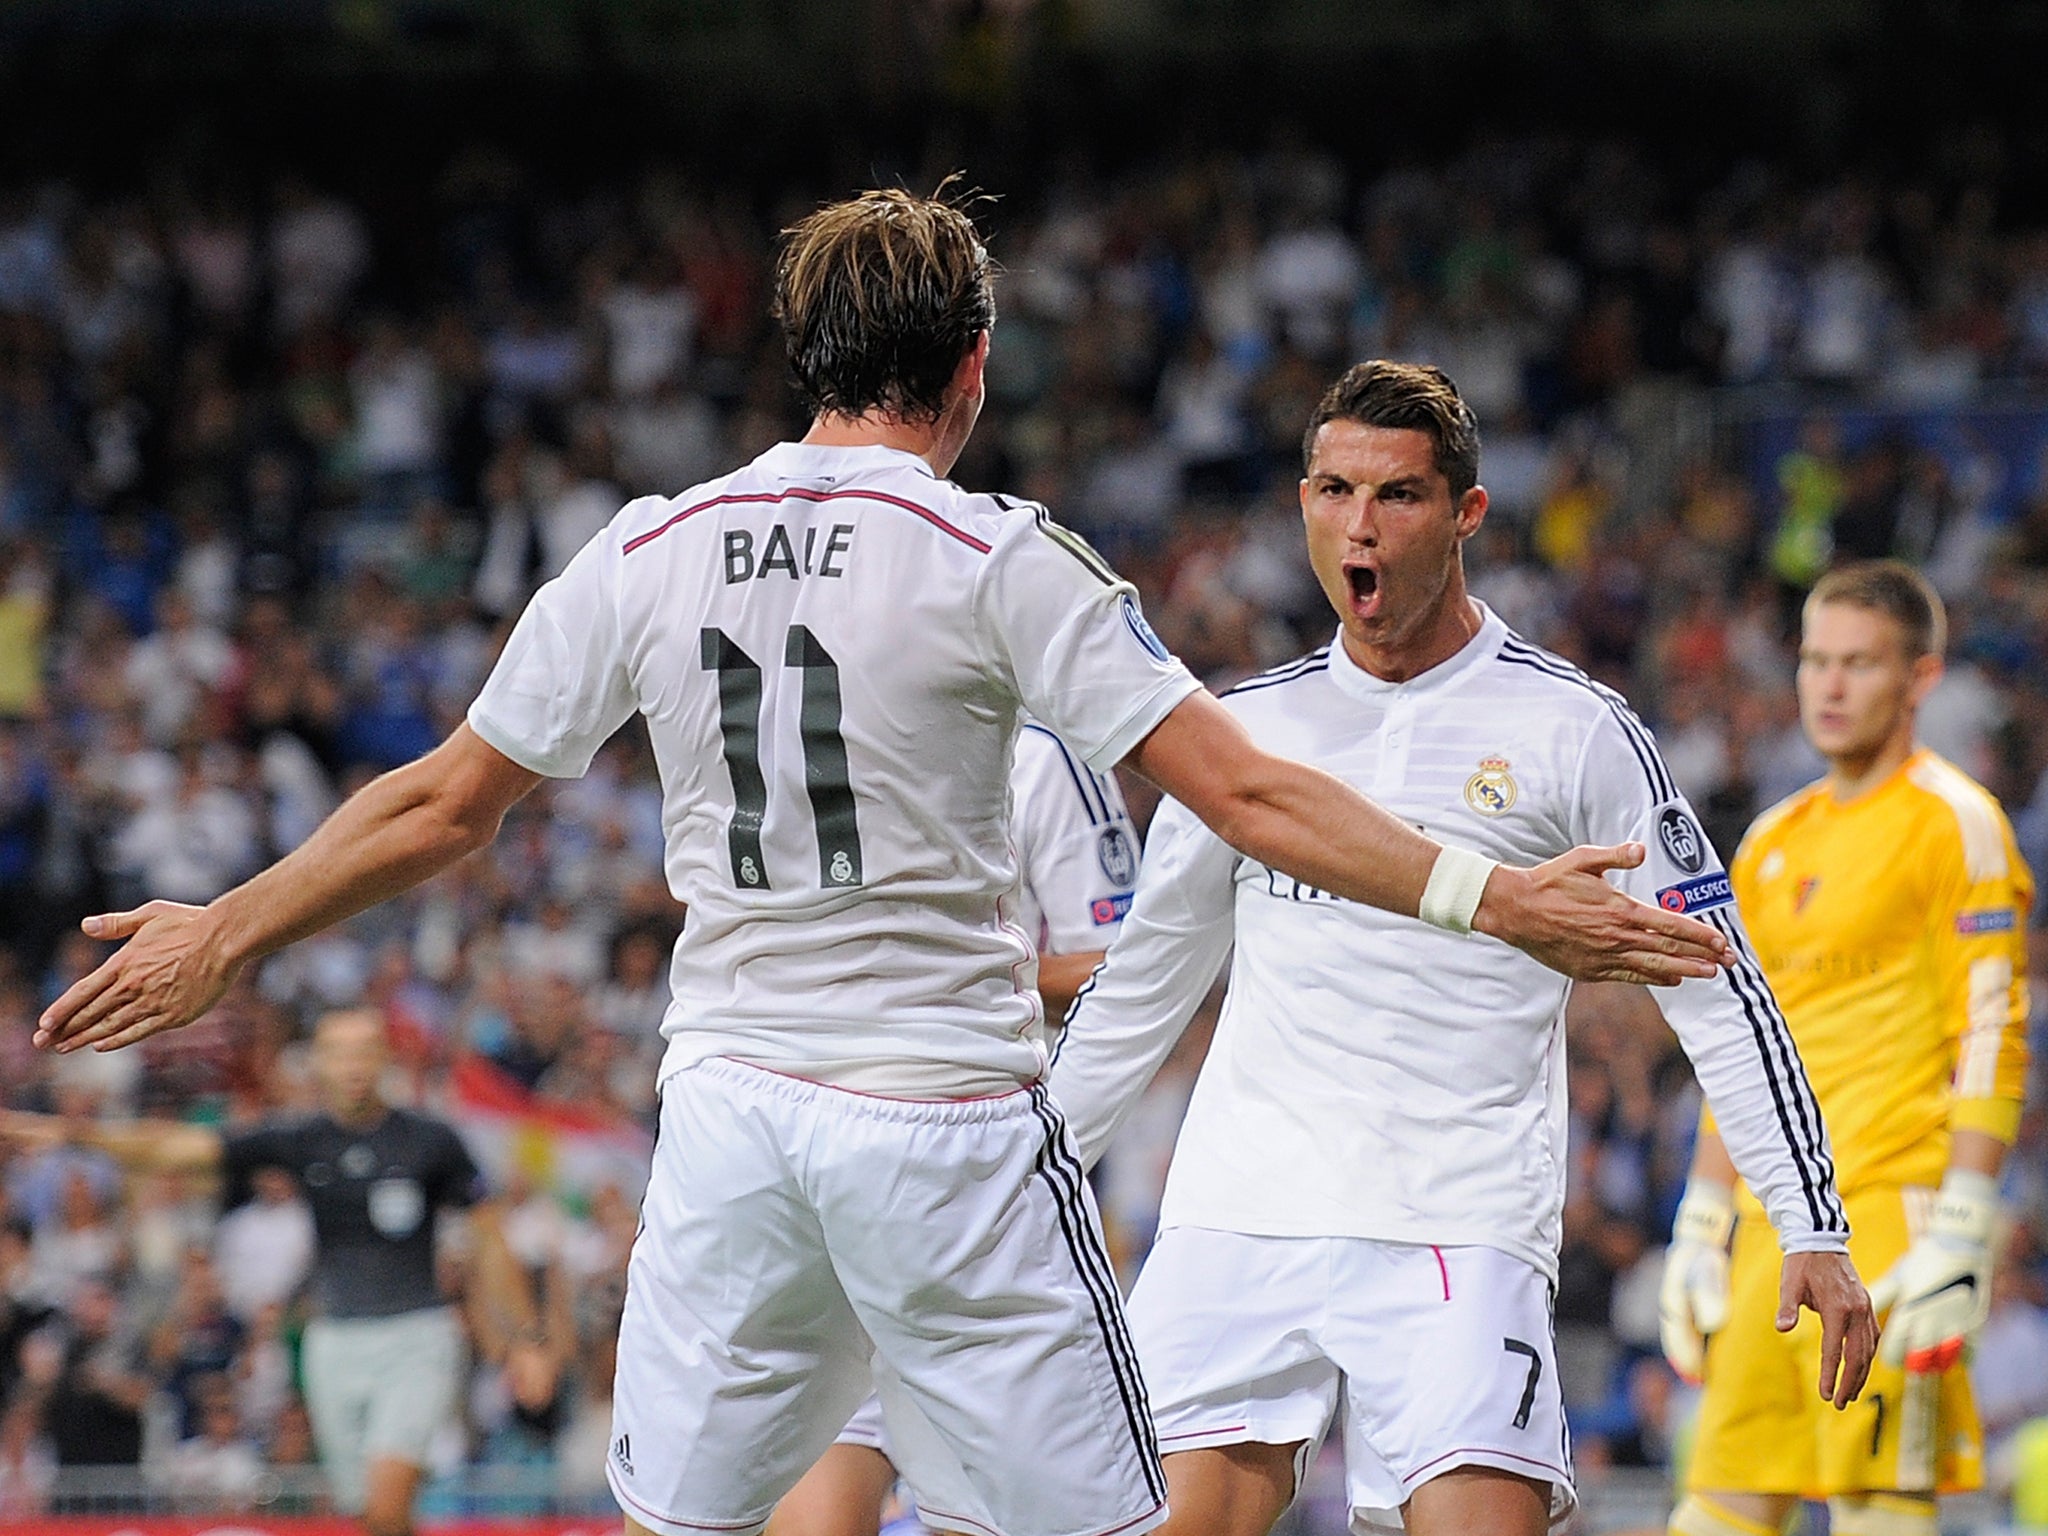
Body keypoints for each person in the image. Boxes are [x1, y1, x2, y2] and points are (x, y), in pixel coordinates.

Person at [32, 188, 1733, 1536]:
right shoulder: (999, 555)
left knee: (687, 1518)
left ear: (802, 358)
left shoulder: (649, 544)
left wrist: (233, 929)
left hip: (729, 1122)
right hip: (943, 1127)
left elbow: (444, 805)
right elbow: (1245, 794)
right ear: (973, 367)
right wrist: (1492, 895)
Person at [1047, 360, 1877, 1536]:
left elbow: (1716, 986)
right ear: (1301, 504)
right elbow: (1138, 988)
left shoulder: (1569, 729)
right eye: (1334, 491)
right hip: (1239, 1216)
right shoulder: (1246, 738)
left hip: (1455, 1225)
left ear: (1465, 514)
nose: (1358, 525)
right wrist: (1022, 1180)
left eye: (1396, 496)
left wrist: (1809, 1221)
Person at [1660, 560, 2032, 1536]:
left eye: (1857, 664)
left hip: (1888, 1227)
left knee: (1876, 1513)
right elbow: (1738, 1048)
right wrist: (1701, 1217)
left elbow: (1991, 1029)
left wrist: (1961, 1223)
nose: (1826, 686)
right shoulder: (1767, 840)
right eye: (1813, 661)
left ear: (1918, 677)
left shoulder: (1956, 824)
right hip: (1767, 1234)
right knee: (1714, 1510)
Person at [768, 720, 1144, 1536]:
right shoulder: (807, 728)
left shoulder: (1045, 756)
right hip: (822, 1162)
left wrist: (954, 973)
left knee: (978, 1518)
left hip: (981, 1186)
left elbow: (1128, 967)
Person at [3, 1009, 536, 1536]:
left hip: (416, 1335)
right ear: (318, 1065)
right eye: (338, 1052)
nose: (352, 1065)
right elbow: (177, 1148)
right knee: (371, 1517)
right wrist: (72, 1135)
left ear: (385, 1059)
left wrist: (523, 1339)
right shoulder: (300, 1139)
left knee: (389, 1499)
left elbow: (490, 1236)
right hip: (334, 1342)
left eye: (364, 1050)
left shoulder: (430, 1140)